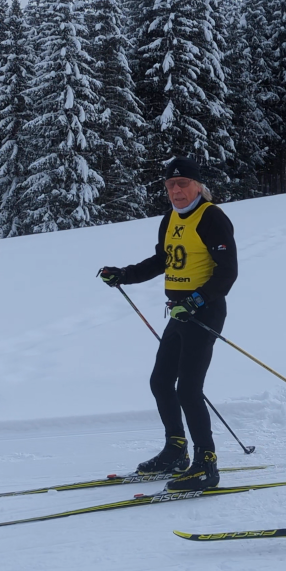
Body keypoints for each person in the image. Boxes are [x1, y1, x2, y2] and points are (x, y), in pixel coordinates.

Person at [99, 156, 237, 491]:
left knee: (188, 389)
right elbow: (163, 259)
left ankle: (206, 464)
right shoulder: (170, 219)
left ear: (198, 186)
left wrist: (196, 301)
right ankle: (176, 451)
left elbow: (227, 272)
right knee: (161, 382)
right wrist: (125, 275)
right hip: (179, 312)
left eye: (183, 183)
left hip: (204, 312)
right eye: (170, 185)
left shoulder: (212, 217)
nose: (176, 190)